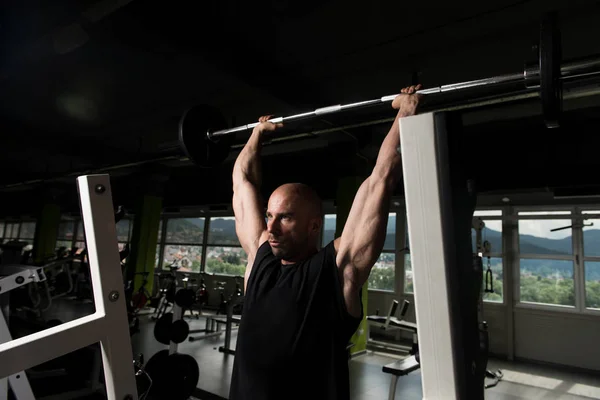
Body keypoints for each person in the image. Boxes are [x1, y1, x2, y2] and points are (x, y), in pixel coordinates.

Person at [229, 85, 424, 400]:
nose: (272, 227)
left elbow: (380, 180)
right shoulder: (261, 255)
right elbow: (243, 181)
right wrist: (257, 135)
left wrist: (405, 112)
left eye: (286, 218)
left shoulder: (334, 271)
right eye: (269, 216)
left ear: (313, 226)